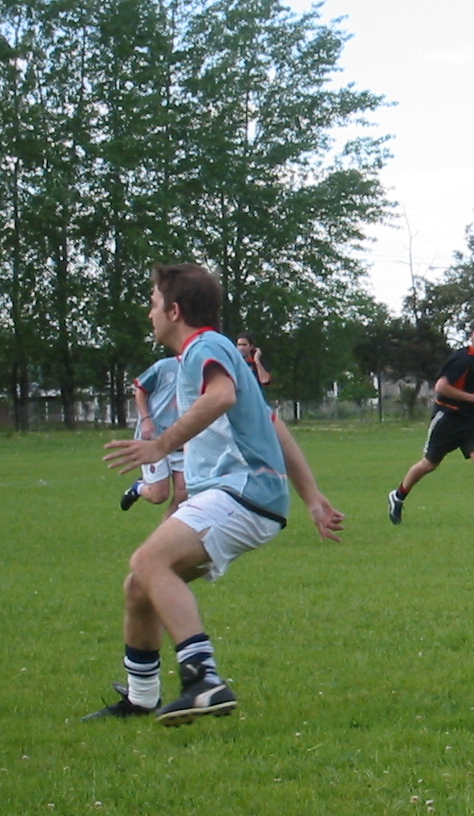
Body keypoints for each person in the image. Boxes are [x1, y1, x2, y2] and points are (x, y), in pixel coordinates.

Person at [91, 263, 344, 724]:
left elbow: (221, 396)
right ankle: (141, 698)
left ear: (174, 310)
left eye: (153, 303)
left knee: (148, 561)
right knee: (140, 586)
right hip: (246, 497)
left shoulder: (204, 347)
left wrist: (161, 444)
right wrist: (311, 496)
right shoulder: (214, 351)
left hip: (241, 492)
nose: (149, 313)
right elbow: (272, 424)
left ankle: (203, 679)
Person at [387, 317, 474, 527]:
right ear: (471, 335)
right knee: (429, 464)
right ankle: (398, 495)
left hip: (472, 418)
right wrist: (472, 398)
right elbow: (440, 387)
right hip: (448, 417)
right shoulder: (462, 358)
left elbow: (473, 387)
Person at [119, 354, 187, 515]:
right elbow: (140, 390)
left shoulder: (204, 370)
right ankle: (138, 488)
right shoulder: (164, 366)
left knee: (183, 495)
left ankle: (168, 531)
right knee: (159, 496)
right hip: (153, 439)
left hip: (181, 440)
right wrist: (146, 419)